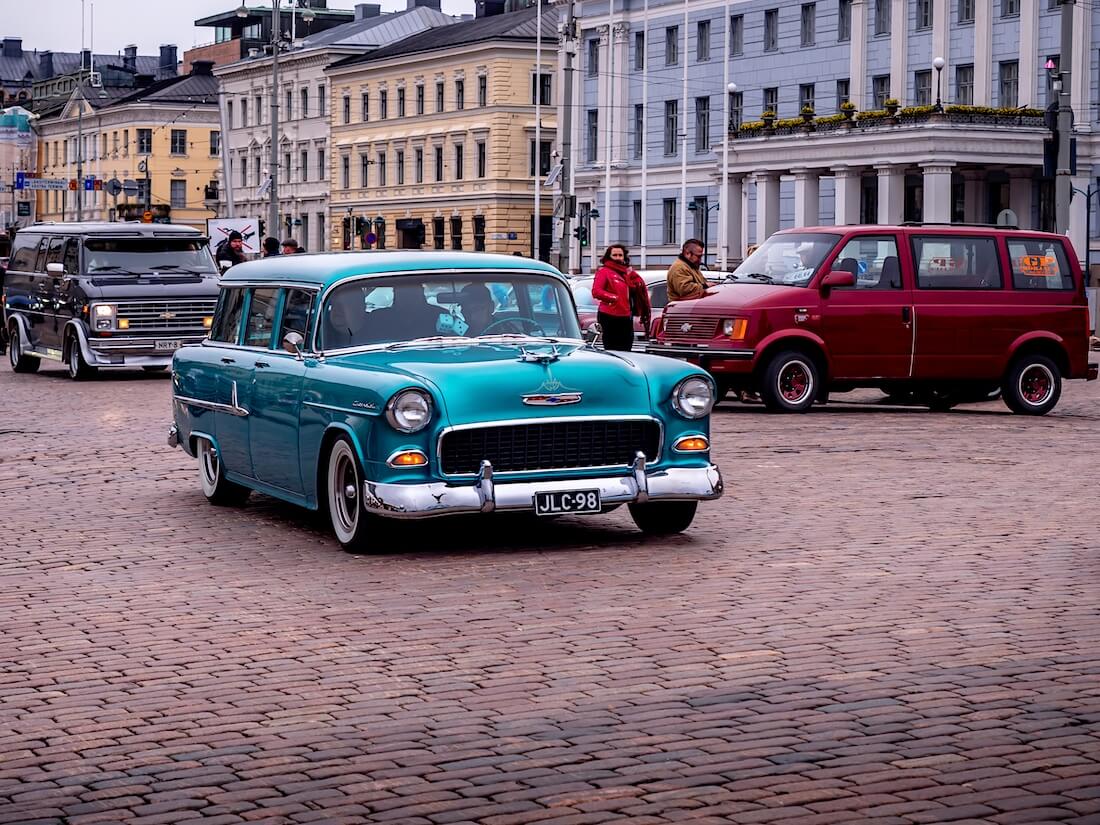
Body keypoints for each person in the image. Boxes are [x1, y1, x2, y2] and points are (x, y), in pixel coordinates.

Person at [592, 244, 648, 352]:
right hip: (609, 315)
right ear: (609, 256)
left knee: (627, 347)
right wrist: (614, 298)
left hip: (625, 315)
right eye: (615, 255)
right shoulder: (604, 271)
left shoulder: (627, 273)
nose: (618, 258)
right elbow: (596, 291)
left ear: (624, 257)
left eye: (620, 255)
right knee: (612, 348)